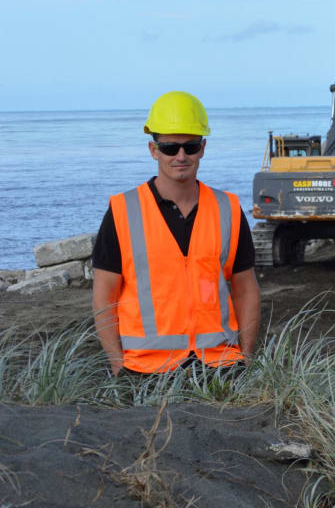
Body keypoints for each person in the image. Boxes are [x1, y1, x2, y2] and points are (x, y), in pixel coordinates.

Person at [91, 91, 261, 376]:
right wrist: (118, 365)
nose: (181, 156)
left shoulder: (227, 208)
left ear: (203, 148)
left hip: (220, 365)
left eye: (190, 147)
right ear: (153, 149)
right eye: (170, 148)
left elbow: (246, 288)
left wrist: (245, 356)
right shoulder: (123, 210)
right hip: (144, 370)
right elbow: (104, 296)